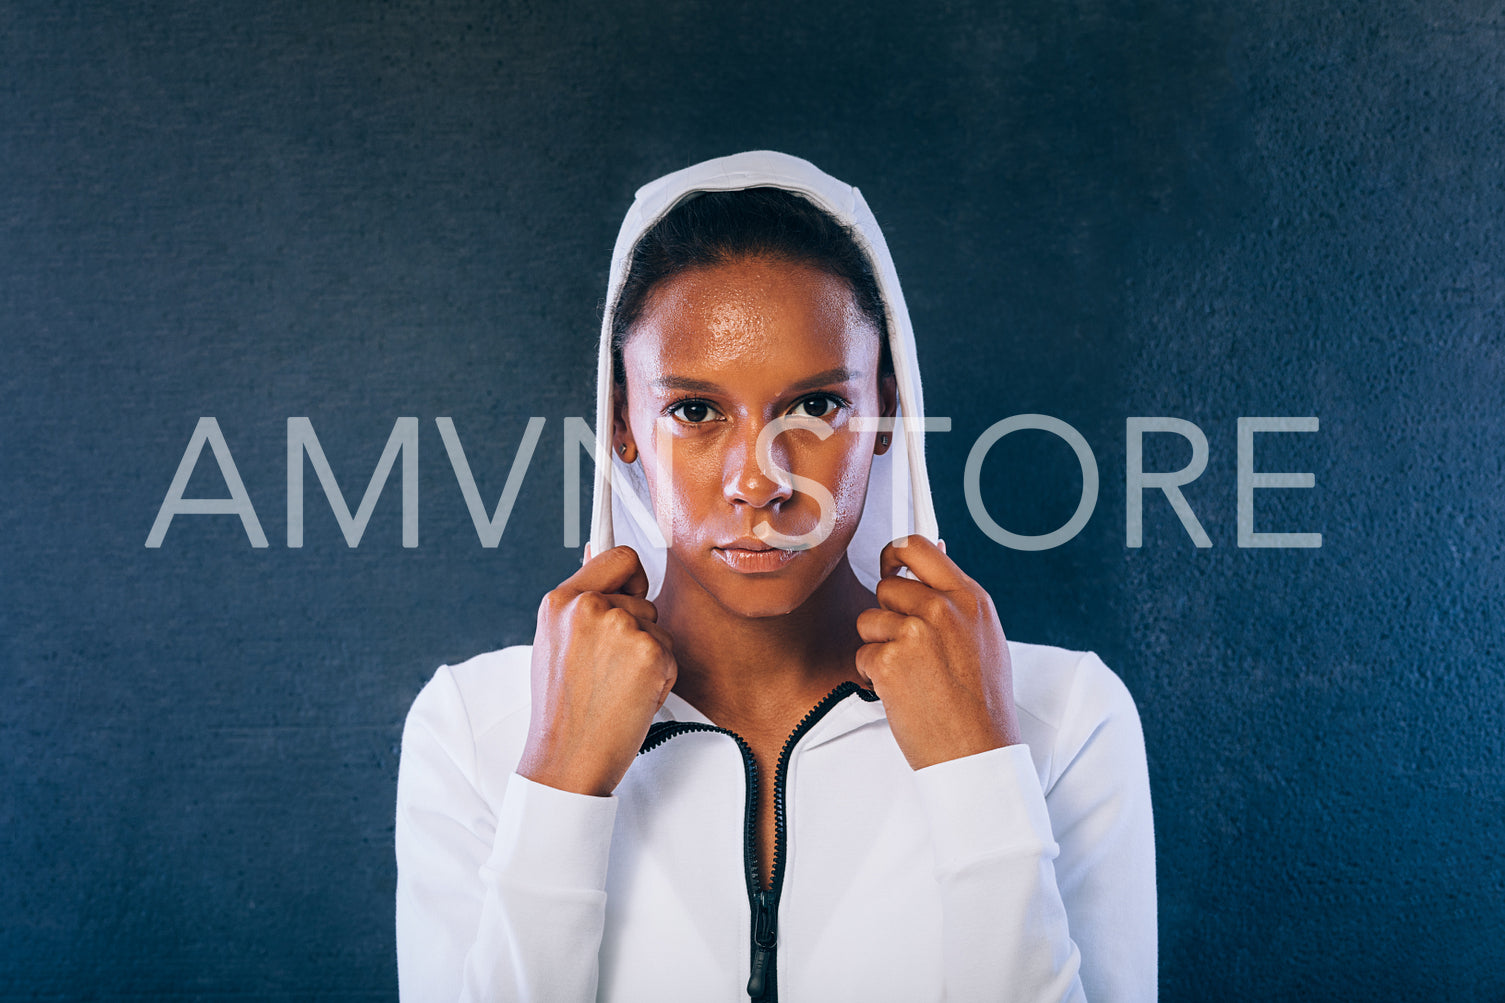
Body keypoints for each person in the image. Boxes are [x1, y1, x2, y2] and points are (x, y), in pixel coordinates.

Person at [395, 151, 1156, 1002]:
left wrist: (978, 775)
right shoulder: (474, 732)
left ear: (885, 412)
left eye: (816, 405)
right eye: (694, 410)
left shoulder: (1063, 718)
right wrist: (561, 785)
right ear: (620, 422)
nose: (760, 481)